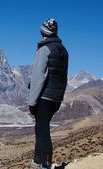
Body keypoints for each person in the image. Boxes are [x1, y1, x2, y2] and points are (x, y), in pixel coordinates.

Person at [28, 18, 69, 169]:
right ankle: (38, 160)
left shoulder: (44, 50)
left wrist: (32, 102)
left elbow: (38, 77)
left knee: (42, 129)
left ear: (43, 32)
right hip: (56, 97)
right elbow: (62, 76)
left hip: (44, 96)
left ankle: (44, 163)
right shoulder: (63, 51)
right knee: (41, 127)